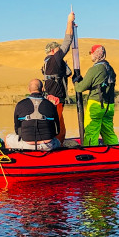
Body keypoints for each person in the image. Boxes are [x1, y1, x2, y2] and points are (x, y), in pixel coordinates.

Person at [73, 44, 119, 146]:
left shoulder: (94, 69)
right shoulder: (110, 69)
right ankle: (116, 152)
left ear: (95, 54)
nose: (90, 55)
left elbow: (80, 88)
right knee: (108, 132)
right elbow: (100, 84)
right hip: (109, 106)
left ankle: (90, 153)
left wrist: (76, 82)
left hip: (96, 105)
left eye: (91, 53)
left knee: (91, 131)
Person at [42, 11, 75, 143]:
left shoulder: (47, 63)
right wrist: (69, 22)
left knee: (56, 126)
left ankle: (55, 143)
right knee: (59, 129)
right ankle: (57, 147)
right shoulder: (54, 60)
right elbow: (67, 42)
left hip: (52, 99)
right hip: (56, 100)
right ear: (53, 50)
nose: (59, 50)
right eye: (57, 49)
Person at [5, 79, 61, 151]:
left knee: (7, 138)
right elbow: (57, 130)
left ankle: (14, 158)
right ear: (42, 89)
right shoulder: (50, 105)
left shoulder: (20, 104)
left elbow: (17, 129)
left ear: (29, 89)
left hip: (26, 145)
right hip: (47, 146)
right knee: (58, 141)